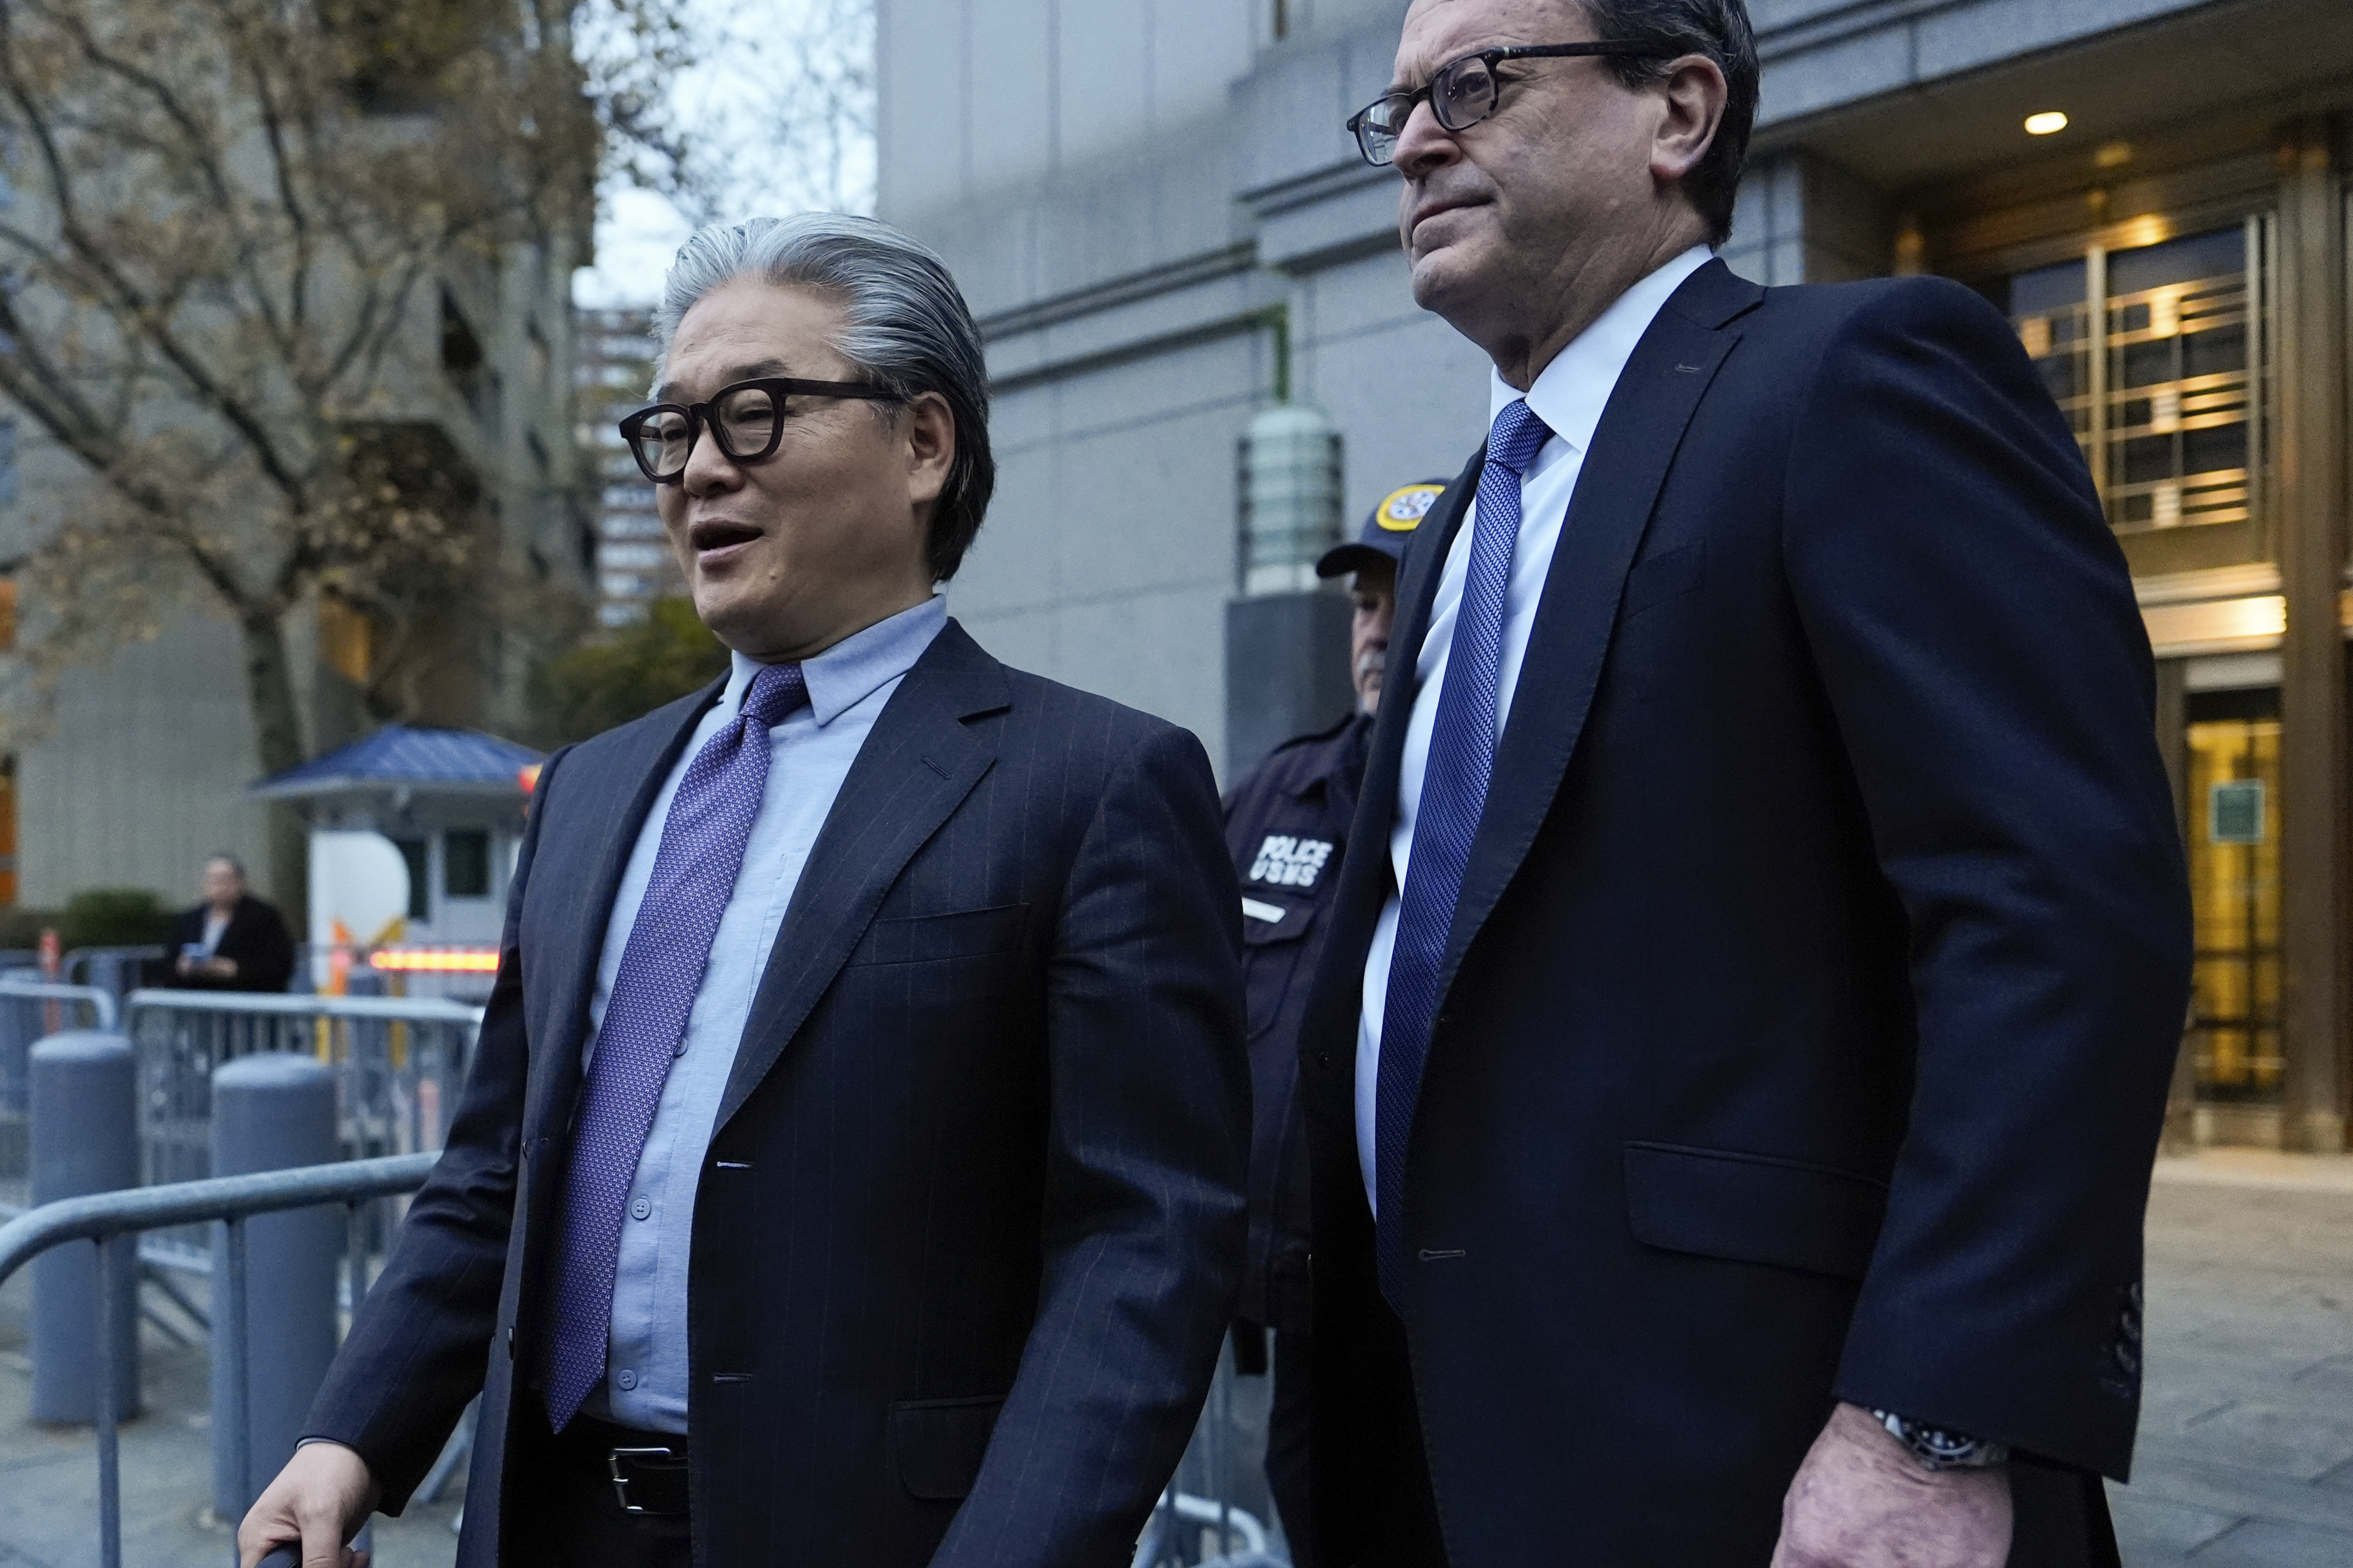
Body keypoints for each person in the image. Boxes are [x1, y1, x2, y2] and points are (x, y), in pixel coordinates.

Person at [1299, 3, 2194, 1566]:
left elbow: (2052, 917)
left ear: (1678, 110)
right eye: (1397, 115)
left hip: (1768, 1459)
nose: (1418, 141)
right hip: (1430, 1432)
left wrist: (1929, 1417)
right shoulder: (1455, 528)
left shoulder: (1851, 376)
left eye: (1470, 85)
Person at [238, 214, 1249, 1568]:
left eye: (756, 414)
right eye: (670, 430)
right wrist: (347, 1437)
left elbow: (1143, 1240)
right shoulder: (592, 788)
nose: (698, 468)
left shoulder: (1094, 781)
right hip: (548, 1521)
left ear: (923, 443)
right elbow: (493, 1175)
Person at [1221, 479, 1446, 1564]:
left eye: (1405, 596)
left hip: (1458, 1313)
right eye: (1363, 602)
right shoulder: (1273, 795)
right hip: (1305, 1307)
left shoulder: (1499, 798)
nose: (1376, 629)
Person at [167, 855, 296, 993]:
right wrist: (182, 967)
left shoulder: (264, 917)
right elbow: (169, 959)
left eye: (225, 879)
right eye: (212, 879)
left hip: (246, 1001)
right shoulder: (190, 919)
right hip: (198, 1000)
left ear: (240, 882)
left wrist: (230, 969)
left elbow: (280, 965)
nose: (219, 886)